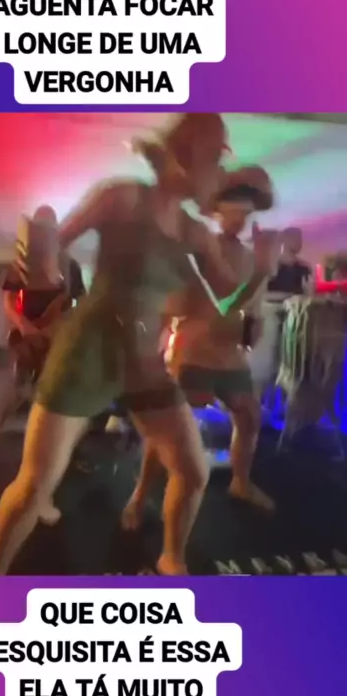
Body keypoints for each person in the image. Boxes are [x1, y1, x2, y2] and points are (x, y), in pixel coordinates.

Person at [0, 114, 279, 576]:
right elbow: (56, 243)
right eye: (216, 160)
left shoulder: (194, 233)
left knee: (193, 470)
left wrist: (261, 271)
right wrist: (40, 260)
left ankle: (171, 558)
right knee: (35, 485)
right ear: (187, 158)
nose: (221, 174)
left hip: (144, 363)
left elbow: (227, 302)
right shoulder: (123, 197)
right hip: (88, 354)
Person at [122, 167, 278, 532]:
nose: (240, 217)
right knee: (168, 431)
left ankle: (240, 482)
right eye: (234, 208)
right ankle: (139, 496)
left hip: (231, 357)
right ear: (216, 210)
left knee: (250, 417)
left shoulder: (252, 257)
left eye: (246, 210)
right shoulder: (201, 248)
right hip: (193, 354)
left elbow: (250, 308)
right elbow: (215, 302)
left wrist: (254, 326)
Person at [2, 204, 85, 385]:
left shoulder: (70, 266)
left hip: (57, 337)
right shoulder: (19, 265)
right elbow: (9, 301)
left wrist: (58, 327)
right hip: (27, 338)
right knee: (25, 384)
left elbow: (81, 304)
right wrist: (24, 326)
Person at [267, 226, 312, 295]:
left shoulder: (304, 267)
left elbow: (306, 290)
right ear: (284, 239)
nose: (299, 242)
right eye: (295, 238)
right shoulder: (274, 266)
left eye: (300, 238)